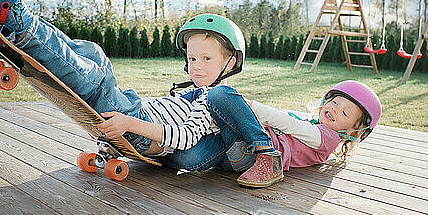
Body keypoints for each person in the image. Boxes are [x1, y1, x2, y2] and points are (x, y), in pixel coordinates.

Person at [0, 0, 272, 158]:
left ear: (230, 63)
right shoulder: (188, 94)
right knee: (94, 54)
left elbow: (184, 139)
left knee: (94, 81)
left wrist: (129, 123)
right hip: (134, 109)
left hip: (137, 126)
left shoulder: (213, 102)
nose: (196, 67)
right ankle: (12, 16)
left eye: (207, 60)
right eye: (193, 59)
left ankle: (19, 23)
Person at [162, 80, 381, 188]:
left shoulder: (325, 138)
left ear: (353, 132)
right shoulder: (316, 130)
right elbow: (294, 122)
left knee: (219, 94)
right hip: (235, 160)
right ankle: (155, 146)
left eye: (344, 112)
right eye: (334, 101)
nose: (334, 108)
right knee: (186, 157)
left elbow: (286, 123)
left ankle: (266, 152)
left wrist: (242, 107)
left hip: (252, 151)